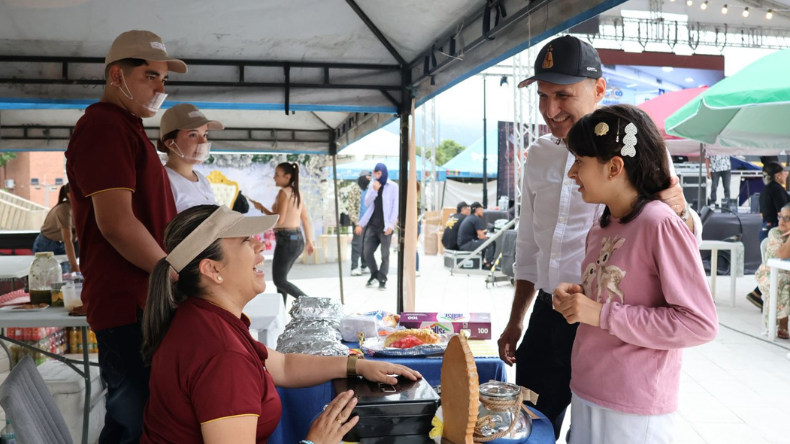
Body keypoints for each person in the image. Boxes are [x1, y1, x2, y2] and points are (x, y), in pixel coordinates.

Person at [496, 35, 702, 440]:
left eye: (562, 95)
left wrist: (680, 209)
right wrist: (516, 320)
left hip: (605, 322)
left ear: (599, 89)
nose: (550, 110)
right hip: (547, 309)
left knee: (597, 426)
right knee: (527, 425)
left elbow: (677, 231)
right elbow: (530, 246)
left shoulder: (634, 149)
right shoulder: (538, 154)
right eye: (542, 96)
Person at [140, 205, 422, 444]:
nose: (260, 245)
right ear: (212, 269)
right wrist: (314, 442)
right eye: (244, 241)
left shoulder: (204, 318)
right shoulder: (223, 354)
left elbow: (282, 365)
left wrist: (357, 365)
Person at [554, 104, 718, 444]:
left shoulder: (658, 223)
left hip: (634, 404)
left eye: (580, 162)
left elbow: (699, 324)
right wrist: (581, 299)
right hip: (587, 388)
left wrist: (601, 313)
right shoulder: (602, 223)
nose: (572, 173)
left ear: (614, 167)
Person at [64, 30, 185, 443]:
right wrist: (170, 272)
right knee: (134, 423)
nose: (160, 88)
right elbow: (115, 223)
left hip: (144, 299)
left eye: (164, 80)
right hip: (128, 302)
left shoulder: (129, 129)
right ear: (117, 75)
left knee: (146, 417)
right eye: (151, 76)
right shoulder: (103, 128)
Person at [250, 162, 315, 303]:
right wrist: (309, 241)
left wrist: (261, 208)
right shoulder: (297, 193)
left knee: (279, 281)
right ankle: (281, 316)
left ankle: (310, 302)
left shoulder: (283, 193)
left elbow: (279, 220)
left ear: (287, 177)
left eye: (277, 175)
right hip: (297, 239)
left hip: (287, 239)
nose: (274, 178)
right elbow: (305, 219)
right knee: (282, 281)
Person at [158, 104, 224, 213]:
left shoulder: (201, 178)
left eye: (205, 135)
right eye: (193, 135)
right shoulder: (164, 180)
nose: (203, 142)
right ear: (171, 143)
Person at [747, 162, 790, 308]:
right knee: (774, 263)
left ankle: (757, 293)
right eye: (784, 172)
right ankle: (759, 293)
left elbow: (761, 213)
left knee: (770, 263)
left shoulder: (766, 189)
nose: (787, 174)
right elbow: (782, 211)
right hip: (774, 229)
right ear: (778, 175)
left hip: (765, 227)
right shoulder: (777, 190)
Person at [359, 163, 399, 291]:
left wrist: (391, 224)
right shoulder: (373, 184)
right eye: (375, 173)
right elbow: (367, 202)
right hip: (372, 224)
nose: (377, 176)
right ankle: (375, 274)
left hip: (385, 225)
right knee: (367, 252)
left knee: (384, 254)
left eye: (379, 173)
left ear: (383, 172)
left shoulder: (393, 186)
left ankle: (382, 278)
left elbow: (395, 206)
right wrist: (374, 190)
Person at [754, 202, 790, 339]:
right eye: (781, 217)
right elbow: (781, 254)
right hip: (769, 273)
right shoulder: (774, 233)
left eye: (787, 219)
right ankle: (781, 324)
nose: (782, 221)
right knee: (782, 283)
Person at [33, 183, 80, 273]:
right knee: (46, 277)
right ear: (69, 195)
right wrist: (74, 266)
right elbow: (67, 240)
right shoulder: (64, 209)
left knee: (64, 278)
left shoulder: (78, 208)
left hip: (63, 244)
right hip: (47, 244)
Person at [457, 202, 495, 269]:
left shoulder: (470, 217)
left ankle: (482, 263)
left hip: (463, 243)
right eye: (481, 209)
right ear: (477, 210)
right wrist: (487, 237)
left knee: (484, 242)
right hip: (466, 244)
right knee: (490, 242)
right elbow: (481, 236)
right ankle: (488, 265)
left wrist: (484, 235)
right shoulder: (476, 219)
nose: (483, 211)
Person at [350, 170, 371, 276]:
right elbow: (351, 207)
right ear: (362, 177)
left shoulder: (369, 190)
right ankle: (354, 267)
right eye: (368, 177)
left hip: (369, 221)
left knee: (366, 244)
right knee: (357, 244)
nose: (369, 179)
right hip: (359, 222)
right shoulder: (355, 189)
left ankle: (364, 265)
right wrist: (357, 223)